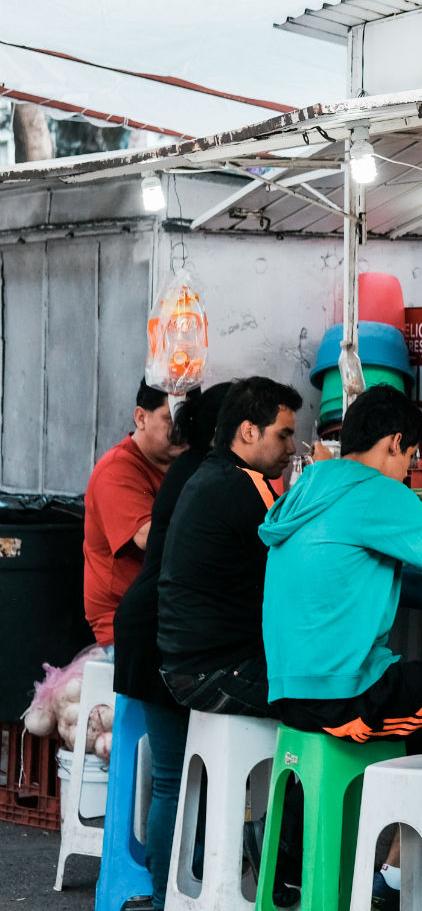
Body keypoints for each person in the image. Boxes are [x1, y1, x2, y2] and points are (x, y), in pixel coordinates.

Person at [260, 384, 422, 743]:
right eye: (410, 456)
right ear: (395, 442)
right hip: (343, 698)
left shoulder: (309, 487)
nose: (405, 471)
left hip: (288, 691)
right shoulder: (378, 491)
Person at [112, 383, 229, 911]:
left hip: (152, 625)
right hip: (155, 630)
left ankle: (176, 893)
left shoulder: (193, 470)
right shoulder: (207, 475)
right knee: (173, 779)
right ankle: (166, 898)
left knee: (176, 777)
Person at [157, 376, 301, 717]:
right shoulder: (245, 486)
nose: (292, 448)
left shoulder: (211, 473)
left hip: (186, 667)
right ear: (249, 431)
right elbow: (299, 563)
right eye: (284, 435)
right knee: (340, 692)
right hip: (217, 672)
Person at [83, 378, 189, 649]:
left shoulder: (181, 466)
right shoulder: (116, 470)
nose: (181, 430)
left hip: (168, 615)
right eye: (170, 419)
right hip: (126, 627)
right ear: (141, 417)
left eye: (188, 419)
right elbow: (150, 538)